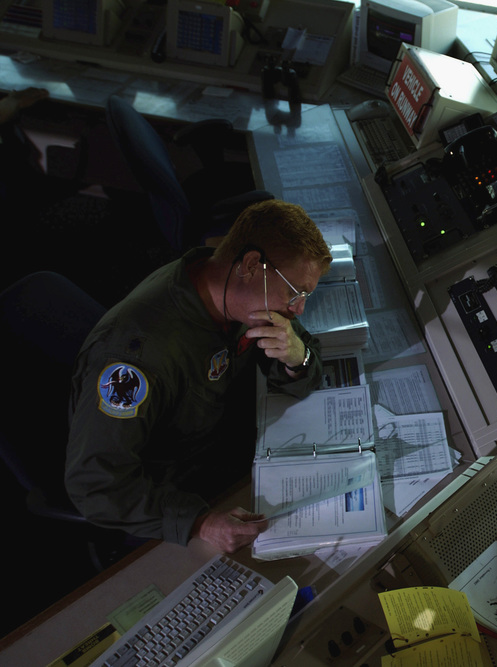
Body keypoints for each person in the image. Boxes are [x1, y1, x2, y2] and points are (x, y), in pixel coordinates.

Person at [65, 199, 332, 553]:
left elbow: (296, 359)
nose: (297, 309)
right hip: (175, 496)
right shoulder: (136, 360)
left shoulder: (234, 290)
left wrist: (298, 357)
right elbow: (95, 485)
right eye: (295, 292)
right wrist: (200, 522)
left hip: (226, 449)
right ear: (251, 264)